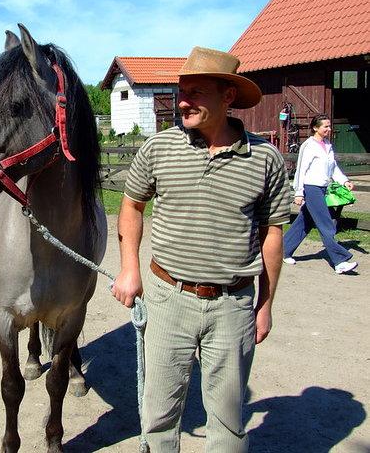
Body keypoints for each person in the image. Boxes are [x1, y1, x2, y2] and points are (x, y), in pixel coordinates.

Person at [111, 46, 291, 452]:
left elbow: (272, 234)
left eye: (196, 92)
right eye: (181, 92)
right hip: (167, 298)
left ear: (228, 98)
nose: (183, 102)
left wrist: (265, 304)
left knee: (228, 421)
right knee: (158, 414)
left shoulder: (265, 158)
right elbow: (132, 206)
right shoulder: (159, 148)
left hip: (233, 305)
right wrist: (129, 268)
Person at [283, 114, 358, 273]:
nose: (329, 129)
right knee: (326, 224)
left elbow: (333, 168)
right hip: (311, 188)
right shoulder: (309, 146)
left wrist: (344, 181)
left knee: (304, 222)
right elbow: (301, 169)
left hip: (322, 188)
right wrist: (299, 192)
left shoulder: (327, 144)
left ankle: (282, 250)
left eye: (329, 126)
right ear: (315, 128)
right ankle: (340, 261)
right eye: (326, 126)